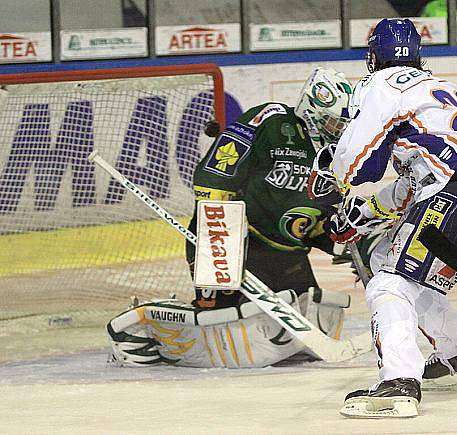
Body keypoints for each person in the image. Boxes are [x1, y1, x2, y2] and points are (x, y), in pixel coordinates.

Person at [106, 68, 354, 368]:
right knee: (218, 312)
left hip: (283, 253)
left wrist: (340, 241)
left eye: (340, 124)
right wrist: (224, 240)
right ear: (311, 109)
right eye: (330, 121)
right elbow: (215, 171)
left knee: (296, 316)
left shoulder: (334, 154)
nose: (336, 129)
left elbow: (319, 216)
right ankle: (147, 326)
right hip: (232, 235)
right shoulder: (271, 119)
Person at [324, 19, 457, 418]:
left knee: (388, 284)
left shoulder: (380, 84)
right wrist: (366, 211)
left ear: (373, 54)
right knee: (395, 270)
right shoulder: (438, 87)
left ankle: (397, 382)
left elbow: (357, 165)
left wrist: (334, 181)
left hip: (453, 194)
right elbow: (418, 179)